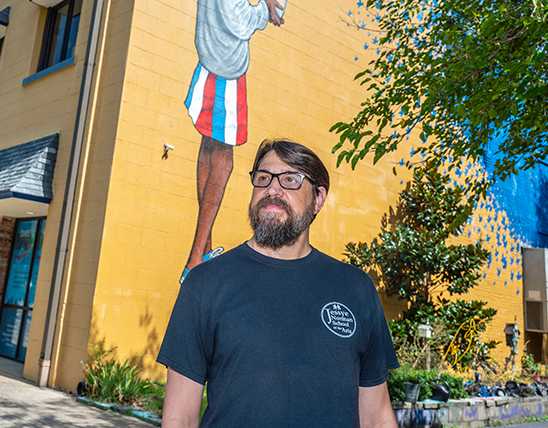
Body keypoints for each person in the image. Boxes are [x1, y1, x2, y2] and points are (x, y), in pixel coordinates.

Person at [158, 139, 400, 428]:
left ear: (318, 198)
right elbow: (180, 418)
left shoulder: (356, 288)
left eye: (290, 180)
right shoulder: (205, 283)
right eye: (263, 178)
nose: (272, 189)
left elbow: (376, 418)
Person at [182, 0, 285, 283]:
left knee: (209, 153)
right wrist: (267, 8)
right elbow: (240, 20)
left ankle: (201, 250)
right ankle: (195, 260)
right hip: (225, 76)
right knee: (222, 160)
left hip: (210, 68)